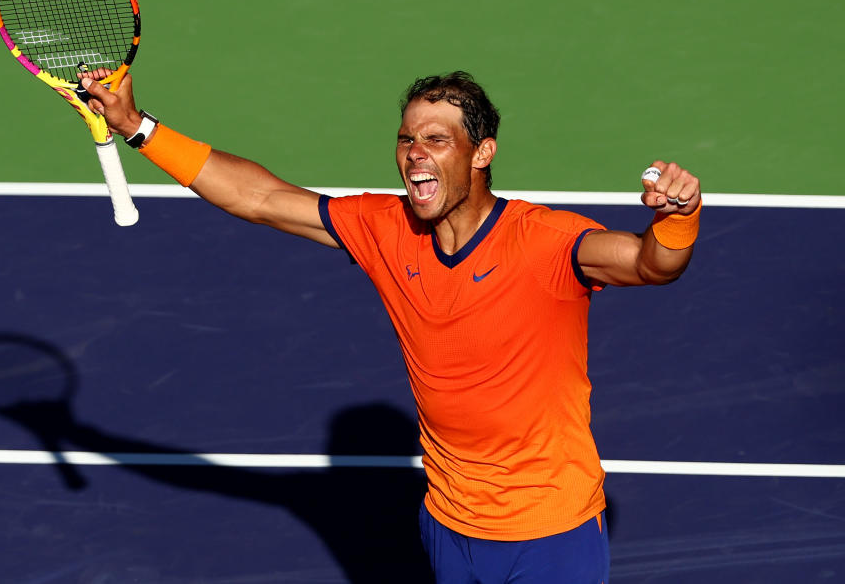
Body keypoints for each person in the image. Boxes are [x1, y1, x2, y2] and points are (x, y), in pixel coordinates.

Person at [80, 70, 701, 584]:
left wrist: (680, 218)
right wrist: (138, 127)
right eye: (407, 139)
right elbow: (260, 198)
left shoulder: (545, 242)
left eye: (437, 139)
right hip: (448, 524)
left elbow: (653, 263)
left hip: (549, 533)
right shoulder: (386, 227)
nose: (415, 154)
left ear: (482, 153)